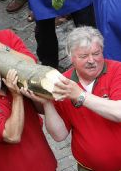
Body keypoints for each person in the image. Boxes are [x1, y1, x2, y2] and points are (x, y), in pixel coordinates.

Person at [25, 26, 121, 170]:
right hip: (88, 167)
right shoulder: (63, 83)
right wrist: (47, 104)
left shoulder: (117, 70)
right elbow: (59, 135)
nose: (91, 60)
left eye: (96, 53)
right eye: (83, 56)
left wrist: (80, 95)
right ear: (71, 56)